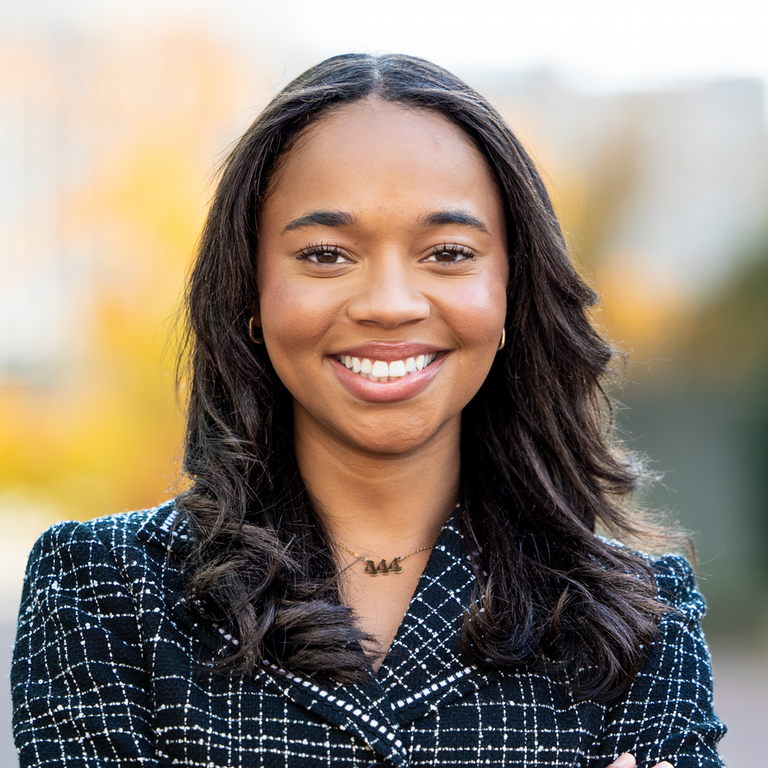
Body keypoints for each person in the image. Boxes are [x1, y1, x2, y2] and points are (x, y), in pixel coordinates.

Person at [12, 53, 725, 767]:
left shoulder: (640, 616)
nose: (389, 303)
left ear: (512, 290)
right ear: (252, 293)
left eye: (447, 252)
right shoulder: (103, 590)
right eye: (325, 254)